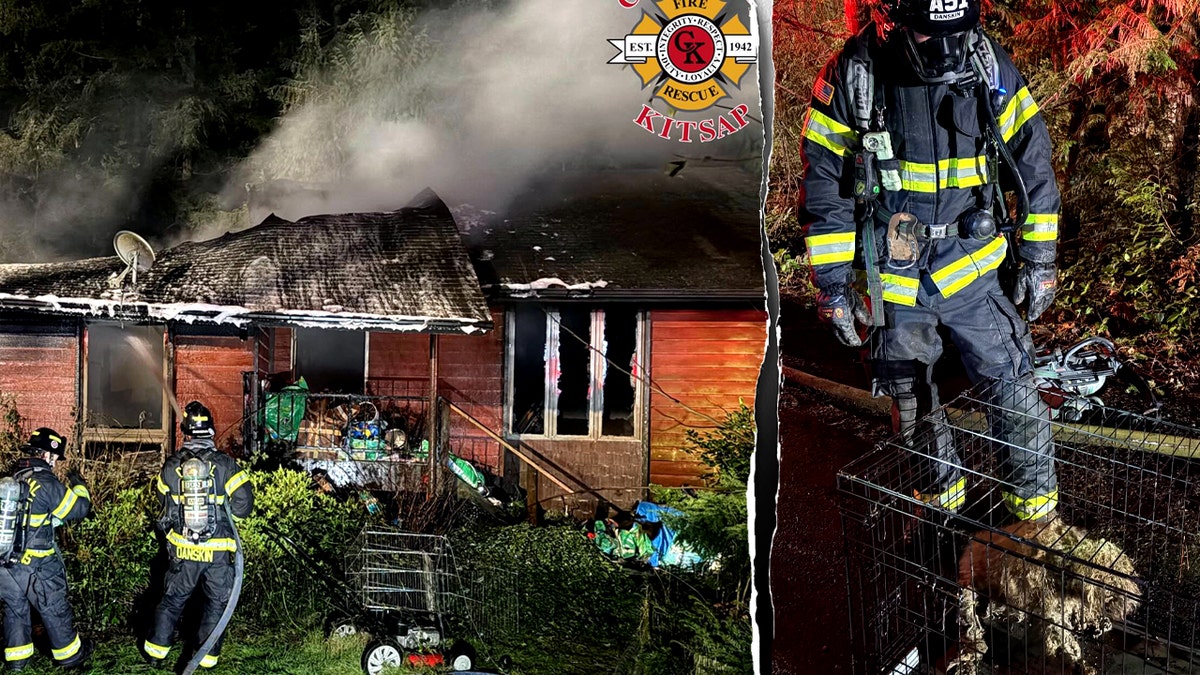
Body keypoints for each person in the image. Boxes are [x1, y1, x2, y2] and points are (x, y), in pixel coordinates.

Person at [799, 0, 1060, 520]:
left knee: (1012, 385)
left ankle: (1036, 517)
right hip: (895, 279)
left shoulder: (987, 63)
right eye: (927, 34)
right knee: (911, 397)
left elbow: (1032, 160)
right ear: (891, 17)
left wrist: (1039, 257)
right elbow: (823, 186)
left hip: (973, 269)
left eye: (956, 32)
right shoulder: (855, 75)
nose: (945, 48)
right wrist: (832, 286)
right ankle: (940, 510)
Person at [144, 402, 253, 669]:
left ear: (186, 433)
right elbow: (244, 505)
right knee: (216, 602)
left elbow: (163, 500)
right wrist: (227, 518)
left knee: (172, 600)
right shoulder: (226, 465)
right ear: (212, 432)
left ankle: (156, 652)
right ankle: (207, 657)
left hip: (183, 550)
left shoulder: (171, 466)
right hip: (217, 551)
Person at [0, 428, 93, 671]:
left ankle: (17, 662)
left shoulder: (14, 478)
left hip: (5, 565)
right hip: (37, 565)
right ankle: (70, 657)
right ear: (48, 456)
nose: (55, 463)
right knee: (54, 607)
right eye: (55, 458)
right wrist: (79, 485)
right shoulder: (45, 482)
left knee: (15, 610)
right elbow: (78, 509)